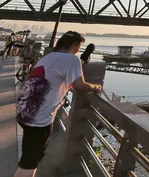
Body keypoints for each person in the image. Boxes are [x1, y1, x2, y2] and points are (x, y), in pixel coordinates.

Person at [13, 31, 101, 177]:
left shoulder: (48, 57)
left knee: (28, 158)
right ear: (75, 45)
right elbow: (79, 85)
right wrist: (95, 87)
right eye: (79, 46)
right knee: (29, 164)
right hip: (39, 120)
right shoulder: (71, 60)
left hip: (24, 112)